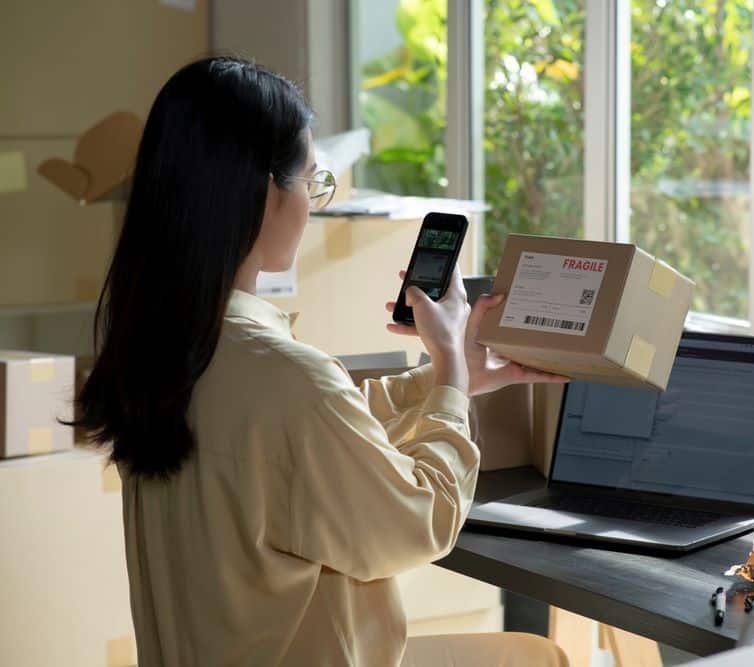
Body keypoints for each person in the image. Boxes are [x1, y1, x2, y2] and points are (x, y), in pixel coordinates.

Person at [74, 56, 569, 667]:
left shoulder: (159, 350)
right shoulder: (286, 378)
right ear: (266, 194)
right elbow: (423, 521)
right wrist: (449, 375)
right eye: (312, 182)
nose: (314, 204)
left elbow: (298, 438)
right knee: (537, 659)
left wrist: (442, 382)